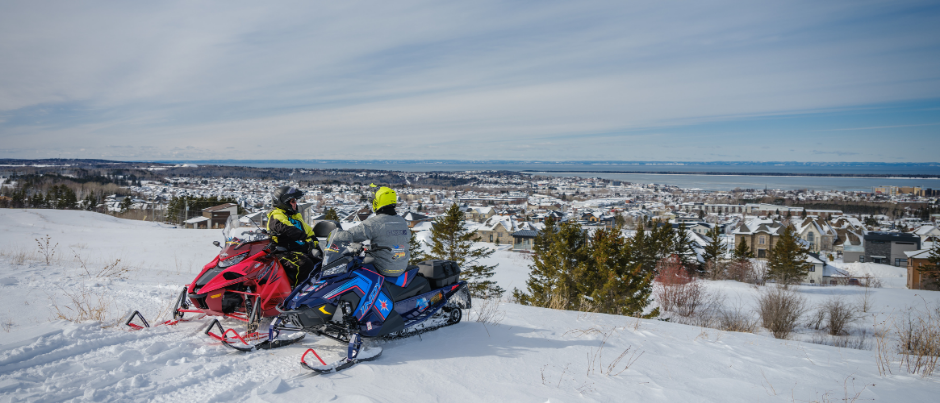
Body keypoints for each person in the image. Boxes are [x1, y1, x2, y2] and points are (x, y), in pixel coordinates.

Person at [330, 184, 410, 277]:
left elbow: (351, 235)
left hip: (381, 268)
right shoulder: (402, 221)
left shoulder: (374, 223)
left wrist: (335, 235)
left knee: (353, 273)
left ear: (377, 202)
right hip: (400, 268)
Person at [267, 186, 319, 287]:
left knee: (321, 264)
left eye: (295, 201)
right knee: (304, 264)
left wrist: (315, 243)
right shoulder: (276, 215)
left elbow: (308, 231)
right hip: (282, 252)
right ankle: (298, 293)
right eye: (292, 201)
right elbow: (286, 227)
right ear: (284, 203)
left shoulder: (295, 216)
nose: (295, 204)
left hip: (298, 250)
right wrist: (302, 237)